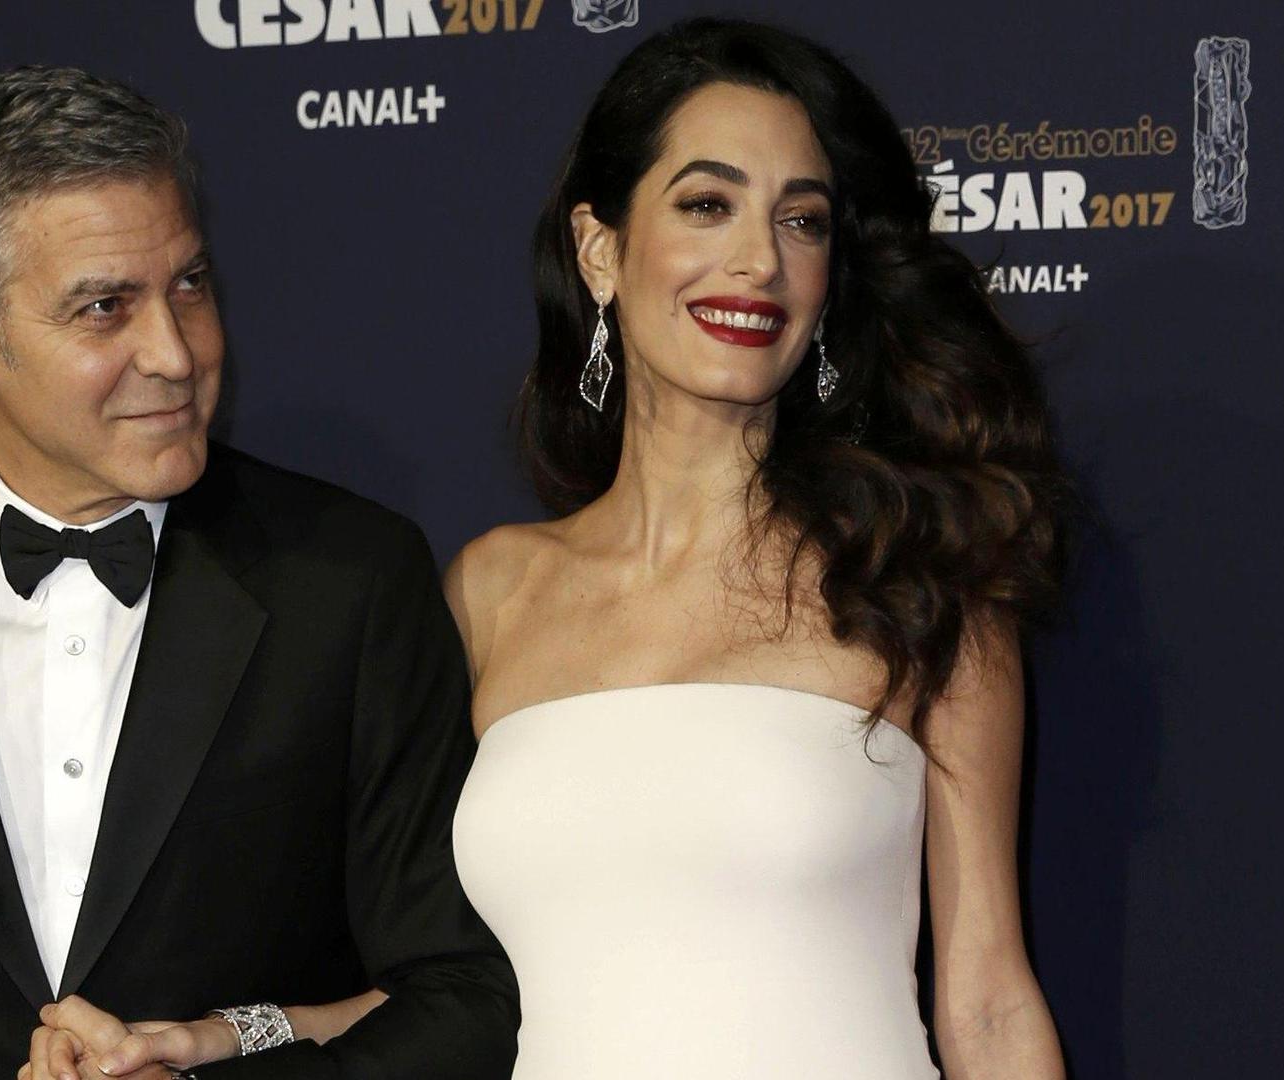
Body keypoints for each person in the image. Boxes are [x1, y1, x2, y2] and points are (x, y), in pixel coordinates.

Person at [0, 66, 517, 1080]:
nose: (174, 351)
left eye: (189, 285)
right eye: (103, 307)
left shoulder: (348, 578)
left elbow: (459, 996)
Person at [443, 18, 1067, 1078]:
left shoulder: (918, 579)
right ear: (600, 249)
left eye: (801, 220)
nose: (758, 261)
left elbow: (989, 1004)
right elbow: (438, 990)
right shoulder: (488, 590)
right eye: (706, 205)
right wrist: (238, 1032)